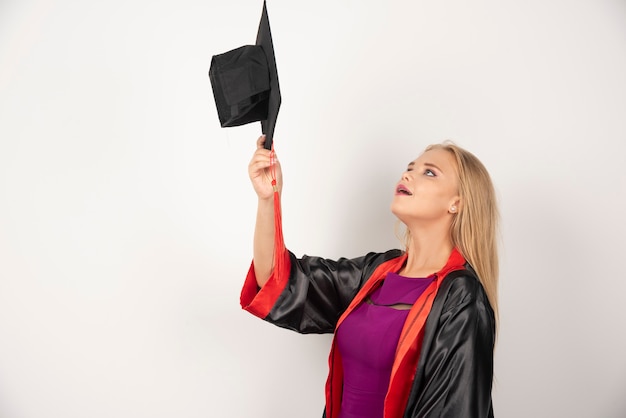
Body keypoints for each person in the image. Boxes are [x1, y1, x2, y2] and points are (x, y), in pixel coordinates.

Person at [241, 135, 498, 418]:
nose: (408, 174)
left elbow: (453, 410)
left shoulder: (461, 297)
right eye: (410, 167)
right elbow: (278, 282)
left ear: (456, 203)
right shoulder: (376, 272)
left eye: (429, 172)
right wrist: (269, 199)